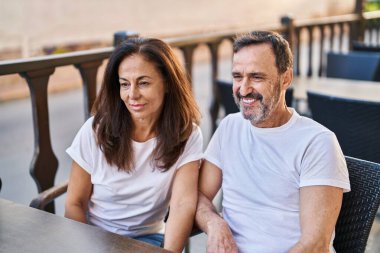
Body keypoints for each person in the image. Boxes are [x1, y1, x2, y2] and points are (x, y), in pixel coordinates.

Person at [195, 31, 350, 253]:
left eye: (256, 77)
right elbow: (199, 196)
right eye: (238, 76)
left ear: (285, 78)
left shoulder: (317, 142)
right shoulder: (230, 127)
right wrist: (215, 223)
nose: (244, 89)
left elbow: (315, 245)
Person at [64, 37, 203, 253]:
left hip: (147, 239)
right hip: (94, 236)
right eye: (124, 84)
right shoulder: (95, 130)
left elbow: (182, 205)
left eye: (144, 82)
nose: (132, 95)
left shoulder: (187, 134)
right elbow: (74, 203)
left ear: (167, 83)